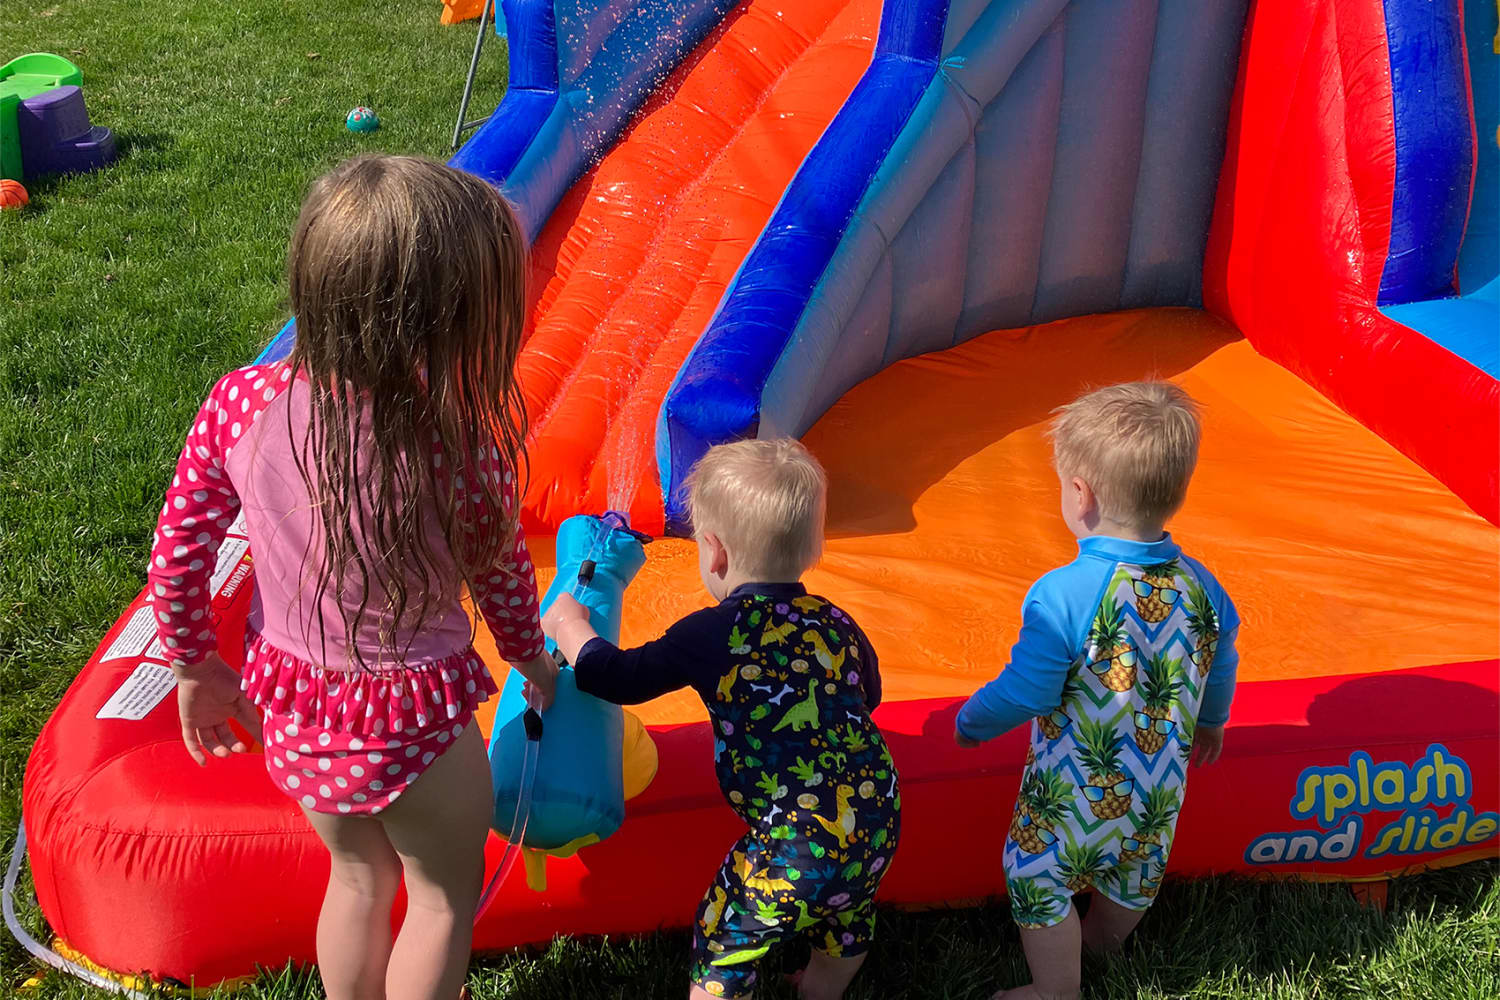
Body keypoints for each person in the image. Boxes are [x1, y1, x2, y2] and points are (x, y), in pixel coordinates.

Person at [146, 155, 557, 1000]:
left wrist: (195, 666)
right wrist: (535, 662)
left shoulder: (240, 403)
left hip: (298, 708)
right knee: (441, 900)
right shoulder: (457, 446)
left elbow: (178, 554)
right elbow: (505, 579)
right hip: (418, 722)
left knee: (360, 879)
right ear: (445, 320)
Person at [542, 438, 900, 1000]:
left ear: (715, 552)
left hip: (794, 841)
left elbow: (619, 678)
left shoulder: (714, 632)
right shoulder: (836, 621)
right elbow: (869, 696)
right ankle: (821, 989)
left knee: (721, 934)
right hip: (877, 817)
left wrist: (571, 628)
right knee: (846, 915)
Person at [954, 381, 1240, 1000]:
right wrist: (1212, 720)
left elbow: (1027, 691)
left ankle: (1056, 988)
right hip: (1160, 787)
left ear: (1079, 495)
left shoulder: (1064, 593)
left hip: (1075, 791)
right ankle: (1101, 947)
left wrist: (971, 721)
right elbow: (1220, 663)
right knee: (1136, 874)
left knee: (1035, 876)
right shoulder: (1204, 586)